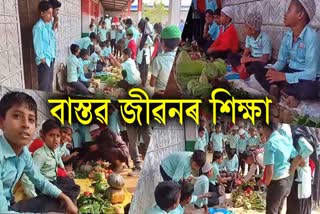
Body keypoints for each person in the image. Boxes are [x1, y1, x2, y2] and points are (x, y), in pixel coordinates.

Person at [0, 92, 78, 213]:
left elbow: (40, 180)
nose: (25, 124)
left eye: (31, 120)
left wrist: (65, 198)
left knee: (60, 201)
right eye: (16, 116)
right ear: (1, 122)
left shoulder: (23, 152)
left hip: (10, 203)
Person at [255, 0, 319, 108]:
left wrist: (284, 76)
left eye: (289, 10)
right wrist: (273, 69)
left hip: (305, 77)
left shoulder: (312, 37)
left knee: (308, 88)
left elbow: (311, 73)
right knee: (259, 69)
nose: (285, 14)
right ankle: (285, 93)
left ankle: (282, 91)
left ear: (300, 15)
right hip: (290, 71)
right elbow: (281, 61)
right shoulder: (287, 36)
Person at [21, 119, 80, 203]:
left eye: (58, 136)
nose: (55, 139)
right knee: (62, 199)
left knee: (73, 185)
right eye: (51, 135)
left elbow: (59, 159)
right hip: (43, 186)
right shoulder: (41, 154)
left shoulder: (54, 149)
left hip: (53, 181)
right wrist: (34, 197)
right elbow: (26, 178)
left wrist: (64, 170)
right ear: (43, 136)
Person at [262, 122, 299, 214]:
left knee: (271, 211)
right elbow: (297, 157)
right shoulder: (285, 140)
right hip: (286, 180)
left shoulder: (270, 143)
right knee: (278, 209)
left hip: (276, 182)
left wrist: (266, 184)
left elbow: (270, 169)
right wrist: (290, 172)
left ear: (266, 129)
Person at [228, 11, 272, 80]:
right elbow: (245, 53)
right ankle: (242, 69)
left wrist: (249, 59)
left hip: (260, 61)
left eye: (246, 27)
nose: (244, 29)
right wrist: (243, 63)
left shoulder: (264, 38)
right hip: (251, 58)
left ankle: (244, 71)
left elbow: (265, 59)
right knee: (231, 56)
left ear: (252, 30)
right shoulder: (249, 36)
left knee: (256, 66)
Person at [287, 126, 314, 214]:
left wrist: (299, 159)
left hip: (299, 173)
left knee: (297, 201)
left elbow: (309, 149)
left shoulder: (298, 136)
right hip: (299, 172)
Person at [150, 25, 181, 98]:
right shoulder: (179, 57)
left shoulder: (158, 60)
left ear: (163, 42)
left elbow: (152, 84)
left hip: (160, 94)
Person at [33, 1, 55, 92]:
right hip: (44, 60)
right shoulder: (38, 27)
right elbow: (37, 43)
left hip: (51, 57)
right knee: (44, 86)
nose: (51, 16)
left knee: (50, 83)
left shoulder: (48, 25)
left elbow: (51, 40)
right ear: (42, 13)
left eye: (52, 14)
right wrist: (42, 58)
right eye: (49, 13)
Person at [137, 19, 153, 87]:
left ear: (142, 28)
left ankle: (143, 82)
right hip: (142, 53)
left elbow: (151, 43)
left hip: (144, 54)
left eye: (139, 28)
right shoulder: (141, 35)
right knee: (143, 68)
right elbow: (138, 44)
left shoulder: (146, 35)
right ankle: (144, 81)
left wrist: (145, 45)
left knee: (143, 68)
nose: (138, 29)